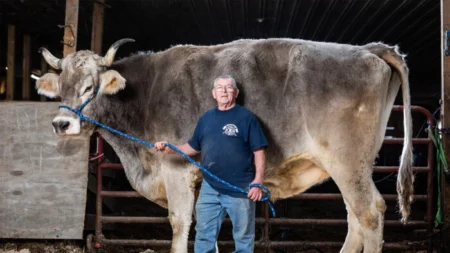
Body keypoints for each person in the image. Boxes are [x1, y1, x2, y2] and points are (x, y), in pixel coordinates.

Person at [154, 74, 268, 253]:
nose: (224, 91)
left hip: (240, 187)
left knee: (243, 237)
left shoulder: (246, 118)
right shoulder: (206, 119)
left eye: (228, 87)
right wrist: (171, 148)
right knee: (204, 234)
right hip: (210, 188)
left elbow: (259, 151)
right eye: (220, 88)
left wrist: (257, 182)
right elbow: (192, 147)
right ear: (213, 94)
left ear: (236, 92)